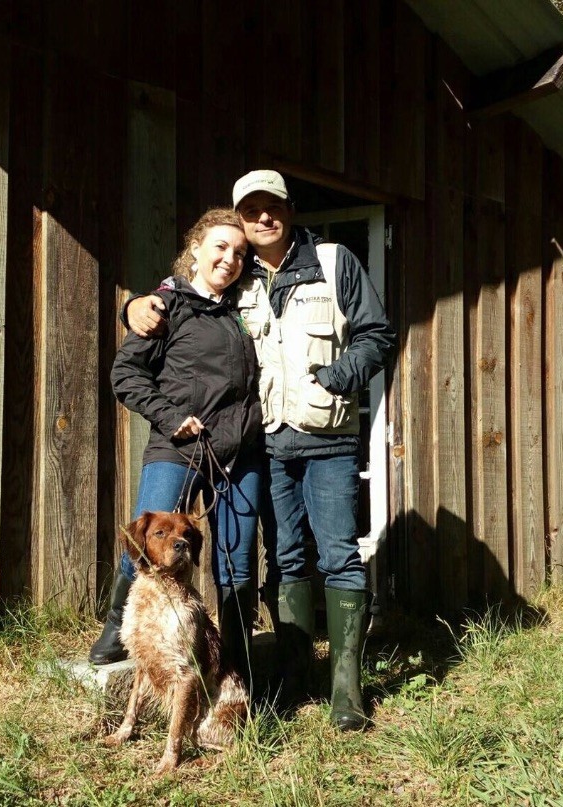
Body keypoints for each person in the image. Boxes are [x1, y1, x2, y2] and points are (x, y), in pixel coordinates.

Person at [125, 170, 396, 730]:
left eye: (272, 207)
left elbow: (377, 336)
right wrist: (135, 305)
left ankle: (346, 691)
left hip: (327, 438)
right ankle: (292, 677)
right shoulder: (239, 284)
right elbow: (179, 296)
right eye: (251, 212)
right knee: (288, 558)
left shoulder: (334, 262)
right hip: (267, 444)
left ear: (288, 210)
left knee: (338, 553)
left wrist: (339, 376)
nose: (263, 219)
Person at [90, 208, 264, 692]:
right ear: (196, 250)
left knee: (236, 556)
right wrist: (169, 416)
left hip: (237, 452)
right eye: (220, 248)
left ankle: (233, 658)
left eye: (240, 253)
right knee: (147, 540)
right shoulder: (168, 306)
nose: (230, 260)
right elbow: (125, 375)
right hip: (180, 445)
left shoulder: (244, 308)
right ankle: (118, 631)